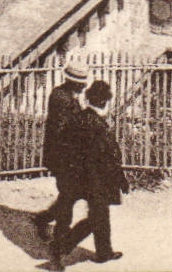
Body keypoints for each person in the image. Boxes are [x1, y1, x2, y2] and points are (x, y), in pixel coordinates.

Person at [51, 79, 128, 267]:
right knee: (97, 217)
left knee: (100, 214)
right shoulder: (100, 127)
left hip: (78, 176)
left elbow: (64, 145)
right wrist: (121, 180)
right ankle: (61, 246)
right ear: (104, 103)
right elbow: (111, 158)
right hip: (97, 179)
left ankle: (104, 251)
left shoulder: (78, 118)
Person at [31, 63, 89, 244]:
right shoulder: (61, 98)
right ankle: (59, 238)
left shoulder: (68, 95)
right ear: (72, 82)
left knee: (70, 193)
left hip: (69, 156)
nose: (83, 86)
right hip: (62, 156)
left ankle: (45, 218)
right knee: (68, 194)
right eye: (80, 83)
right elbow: (64, 130)